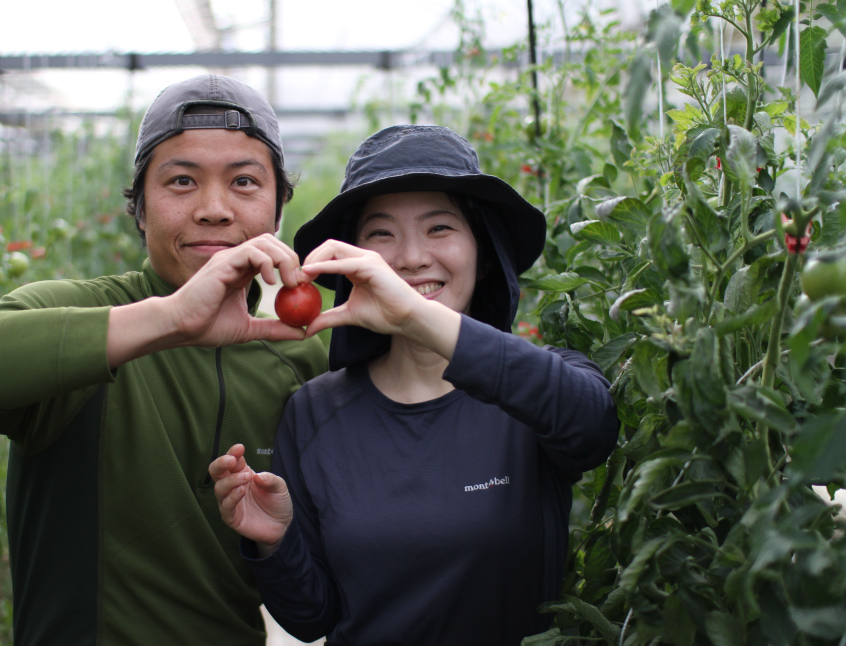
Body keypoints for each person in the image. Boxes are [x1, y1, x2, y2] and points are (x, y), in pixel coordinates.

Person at [0, 74, 328, 645]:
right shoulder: (85, 313)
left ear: (277, 212)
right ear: (141, 210)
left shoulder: (299, 359)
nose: (214, 209)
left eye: (245, 181)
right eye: (181, 181)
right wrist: (169, 319)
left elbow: (312, 591)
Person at [209, 125, 620, 645]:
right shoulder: (315, 411)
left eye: (440, 228)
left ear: (484, 252)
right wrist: (274, 544)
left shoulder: (534, 389)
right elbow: (311, 617)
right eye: (381, 234)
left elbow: (593, 427)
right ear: (353, 263)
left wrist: (418, 318)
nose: (410, 257)